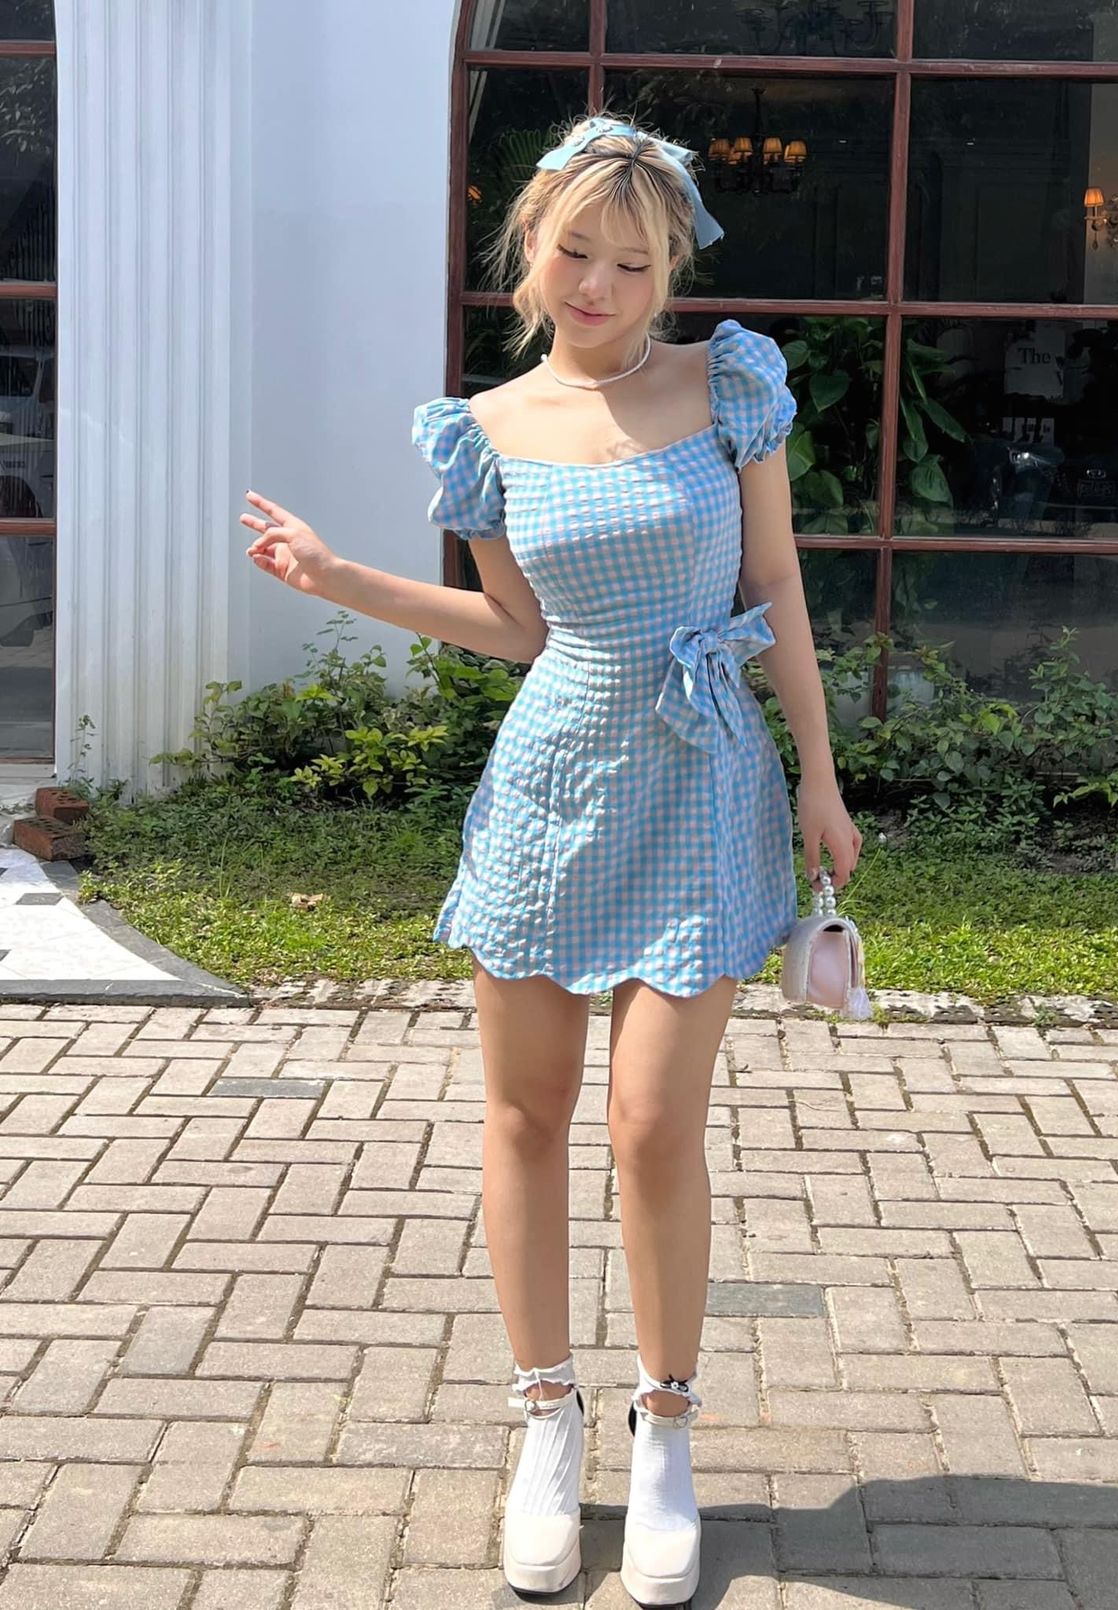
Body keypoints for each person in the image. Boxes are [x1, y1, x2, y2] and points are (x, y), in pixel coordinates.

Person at [240, 110, 861, 1608]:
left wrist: (820, 775)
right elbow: (517, 629)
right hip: (552, 783)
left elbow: (776, 581)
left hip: (704, 779)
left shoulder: (728, 384)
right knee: (523, 1116)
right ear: (532, 242)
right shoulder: (486, 428)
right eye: (577, 251)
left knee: (652, 1125)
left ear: (671, 269)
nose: (599, 286)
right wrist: (340, 577)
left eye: (633, 264)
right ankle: (545, 1419)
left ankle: (665, 1430)